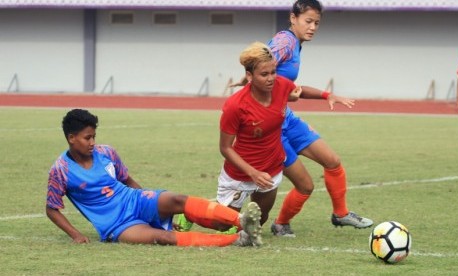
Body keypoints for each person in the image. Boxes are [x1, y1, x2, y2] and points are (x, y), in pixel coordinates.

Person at [45, 108, 263, 247]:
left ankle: (241, 221)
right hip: (116, 225)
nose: (92, 142)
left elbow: (127, 180)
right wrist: (75, 234)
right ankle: (239, 239)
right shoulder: (61, 170)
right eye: (87, 138)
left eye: (94, 136)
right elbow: (51, 208)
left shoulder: (106, 152)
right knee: (162, 238)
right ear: (71, 138)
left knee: (177, 199)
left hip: (135, 200)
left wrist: (145, 199)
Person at [178, 41, 314, 233]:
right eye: (264, 74)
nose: (271, 79)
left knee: (258, 221)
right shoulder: (235, 105)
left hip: (271, 169)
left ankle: (239, 226)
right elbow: (225, 148)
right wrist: (253, 173)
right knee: (223, 224)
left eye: (273, 72)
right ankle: (189, 213)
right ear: (249, 76)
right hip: (240, 174)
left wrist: (326, 96)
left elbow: (295, 93)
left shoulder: (281, 85)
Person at [267, 0, 373, 237]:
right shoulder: (285, 42)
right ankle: (280, 223)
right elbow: (261, 71)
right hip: (271, 127)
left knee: (332, 161)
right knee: (305, 186)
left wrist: (327, 95)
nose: (313, 27)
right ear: (293, 18)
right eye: (308, 21)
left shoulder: (295, 44)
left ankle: (341, 214)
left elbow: (291, 87)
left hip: (287, 119)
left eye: (317, 22)